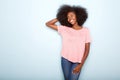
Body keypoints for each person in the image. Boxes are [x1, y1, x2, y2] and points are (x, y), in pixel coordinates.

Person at [45, 5, 91, 80]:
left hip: (78, 61)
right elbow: (48, 24)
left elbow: (87, 50)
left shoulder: (86, 30)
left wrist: (81, 65)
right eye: (68, 17)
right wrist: (60, 17)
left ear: (78, 15)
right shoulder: (64, 29)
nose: (70, 19)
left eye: (72, 16)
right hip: (65, 59)